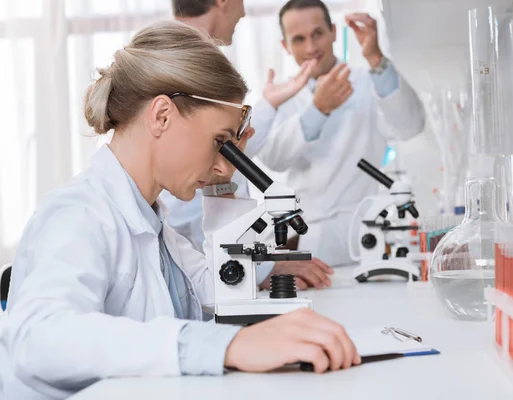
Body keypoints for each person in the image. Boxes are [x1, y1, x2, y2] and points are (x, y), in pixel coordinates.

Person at [0, 21, 360, 399]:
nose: (224, 162)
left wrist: (225, 177)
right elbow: (38, 338)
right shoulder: (78, 215)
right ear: (162, 116)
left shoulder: (156, 226)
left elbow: (220, 287)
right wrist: (228, 347)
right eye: (220, 142)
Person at [163, 0, 333, 290]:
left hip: (208, 265)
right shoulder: (182, 65)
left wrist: (268, 105)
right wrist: (260, 267)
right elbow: (188, 197)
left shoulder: (190, 59)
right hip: (196, 273)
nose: (244, 10)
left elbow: (223, 155)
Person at [255, 0, 426, 267]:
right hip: (308, 237)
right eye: (299, 39)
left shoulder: (369, 79)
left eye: (318, 34)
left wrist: (376, 59)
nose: (311, 48)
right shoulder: (283, 95)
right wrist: (318, 110)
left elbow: (410, 125)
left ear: (334, 31)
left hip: (361, 233)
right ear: (285, 46)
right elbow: (274, 158)